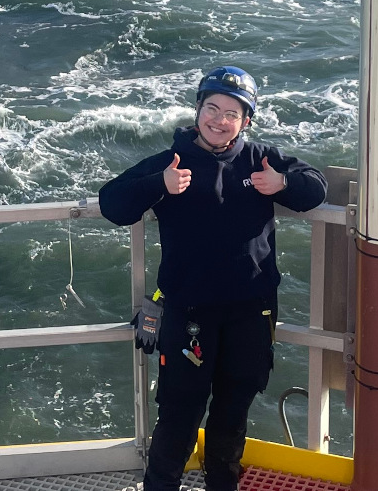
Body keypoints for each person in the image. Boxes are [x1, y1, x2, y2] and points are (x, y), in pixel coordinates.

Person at [99, 66, 327, 491]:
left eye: (231, 113)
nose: (219, 120)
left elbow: (316, 187)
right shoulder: (173, 161)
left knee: (232, 412)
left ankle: (222, 486)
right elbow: (112, 203)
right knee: (179, 414)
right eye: (212, 108)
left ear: (246, 121)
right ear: (198, 110)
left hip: (251, 312)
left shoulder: (261, 157)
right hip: (189, 313)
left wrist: (282, 183)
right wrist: (158, 184)